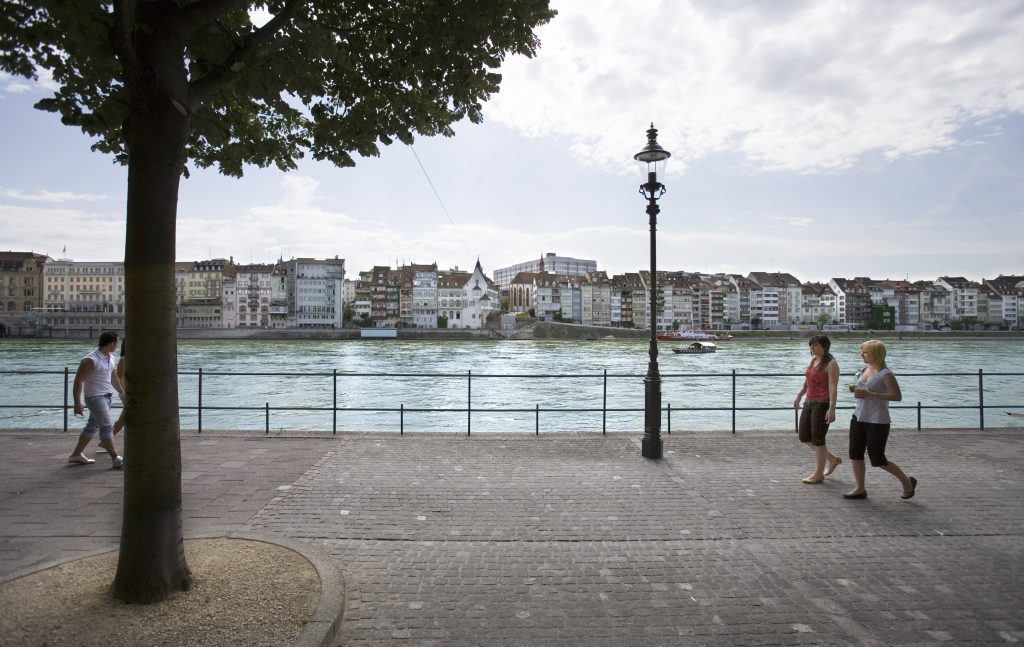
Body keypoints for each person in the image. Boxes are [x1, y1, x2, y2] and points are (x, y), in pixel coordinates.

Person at [844, 339, 917, 500]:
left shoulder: (886, 374)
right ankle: (860, 488)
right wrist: (855, 389)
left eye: (865, 352)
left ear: (876, 354)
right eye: (862, 351)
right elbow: (863, 389)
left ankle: (907, 482)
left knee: (877, 458)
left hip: (878, 421)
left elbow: (897, 396)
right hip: (859, 417)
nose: (861, 354)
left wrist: (871, 394)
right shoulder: (865, 369)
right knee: (855, 453)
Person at [68, 331, 124, 469]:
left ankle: (76, 455)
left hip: (106, 397)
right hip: (95, 398)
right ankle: (115, 458)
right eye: (116, 342)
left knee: (91, 427)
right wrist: (77, 402)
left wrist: (122, 393)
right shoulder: (91, 360)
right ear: (111, 343)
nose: (117, 345)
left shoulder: (110, 358)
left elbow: (114, 376)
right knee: (106, 426)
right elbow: (78, 381)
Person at [793, 334, 843, 484]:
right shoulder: (813, 360)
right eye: (811, 345)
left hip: (822, 403)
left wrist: (832, 408)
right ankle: (832, 459)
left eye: (816, 346)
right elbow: (807, 381)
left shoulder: (831, 363)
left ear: (824, 347)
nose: (812, 348)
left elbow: (833, 387)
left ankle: (818, 474)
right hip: (809, 402)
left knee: (819, 440)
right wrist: (799, 396)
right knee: (804, 436)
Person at [112, 340, 126, 435]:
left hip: (127, 391)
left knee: (125, 416)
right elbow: (119, 376)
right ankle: (107, 438)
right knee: (126, 416)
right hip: (126, 392)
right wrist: (123, 392)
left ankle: (106, 438)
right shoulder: (124, 359)